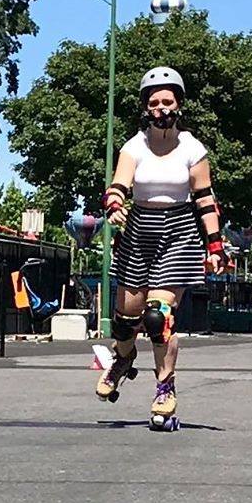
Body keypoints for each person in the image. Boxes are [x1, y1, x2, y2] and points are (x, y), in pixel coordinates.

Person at [96, 66, 224, 429]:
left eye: (168, 101)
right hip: (139, 231)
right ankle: (122, 359)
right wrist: (115, 205)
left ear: (179, 104)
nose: (161, 108)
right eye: (154, 102)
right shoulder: (134, 147)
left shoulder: (192, 149)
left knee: (157, 316)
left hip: (179, 231)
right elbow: (118, 185)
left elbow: (204, 198)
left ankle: (165, 388)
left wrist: (214, 246)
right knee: (125, 322)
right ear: (145, 108)